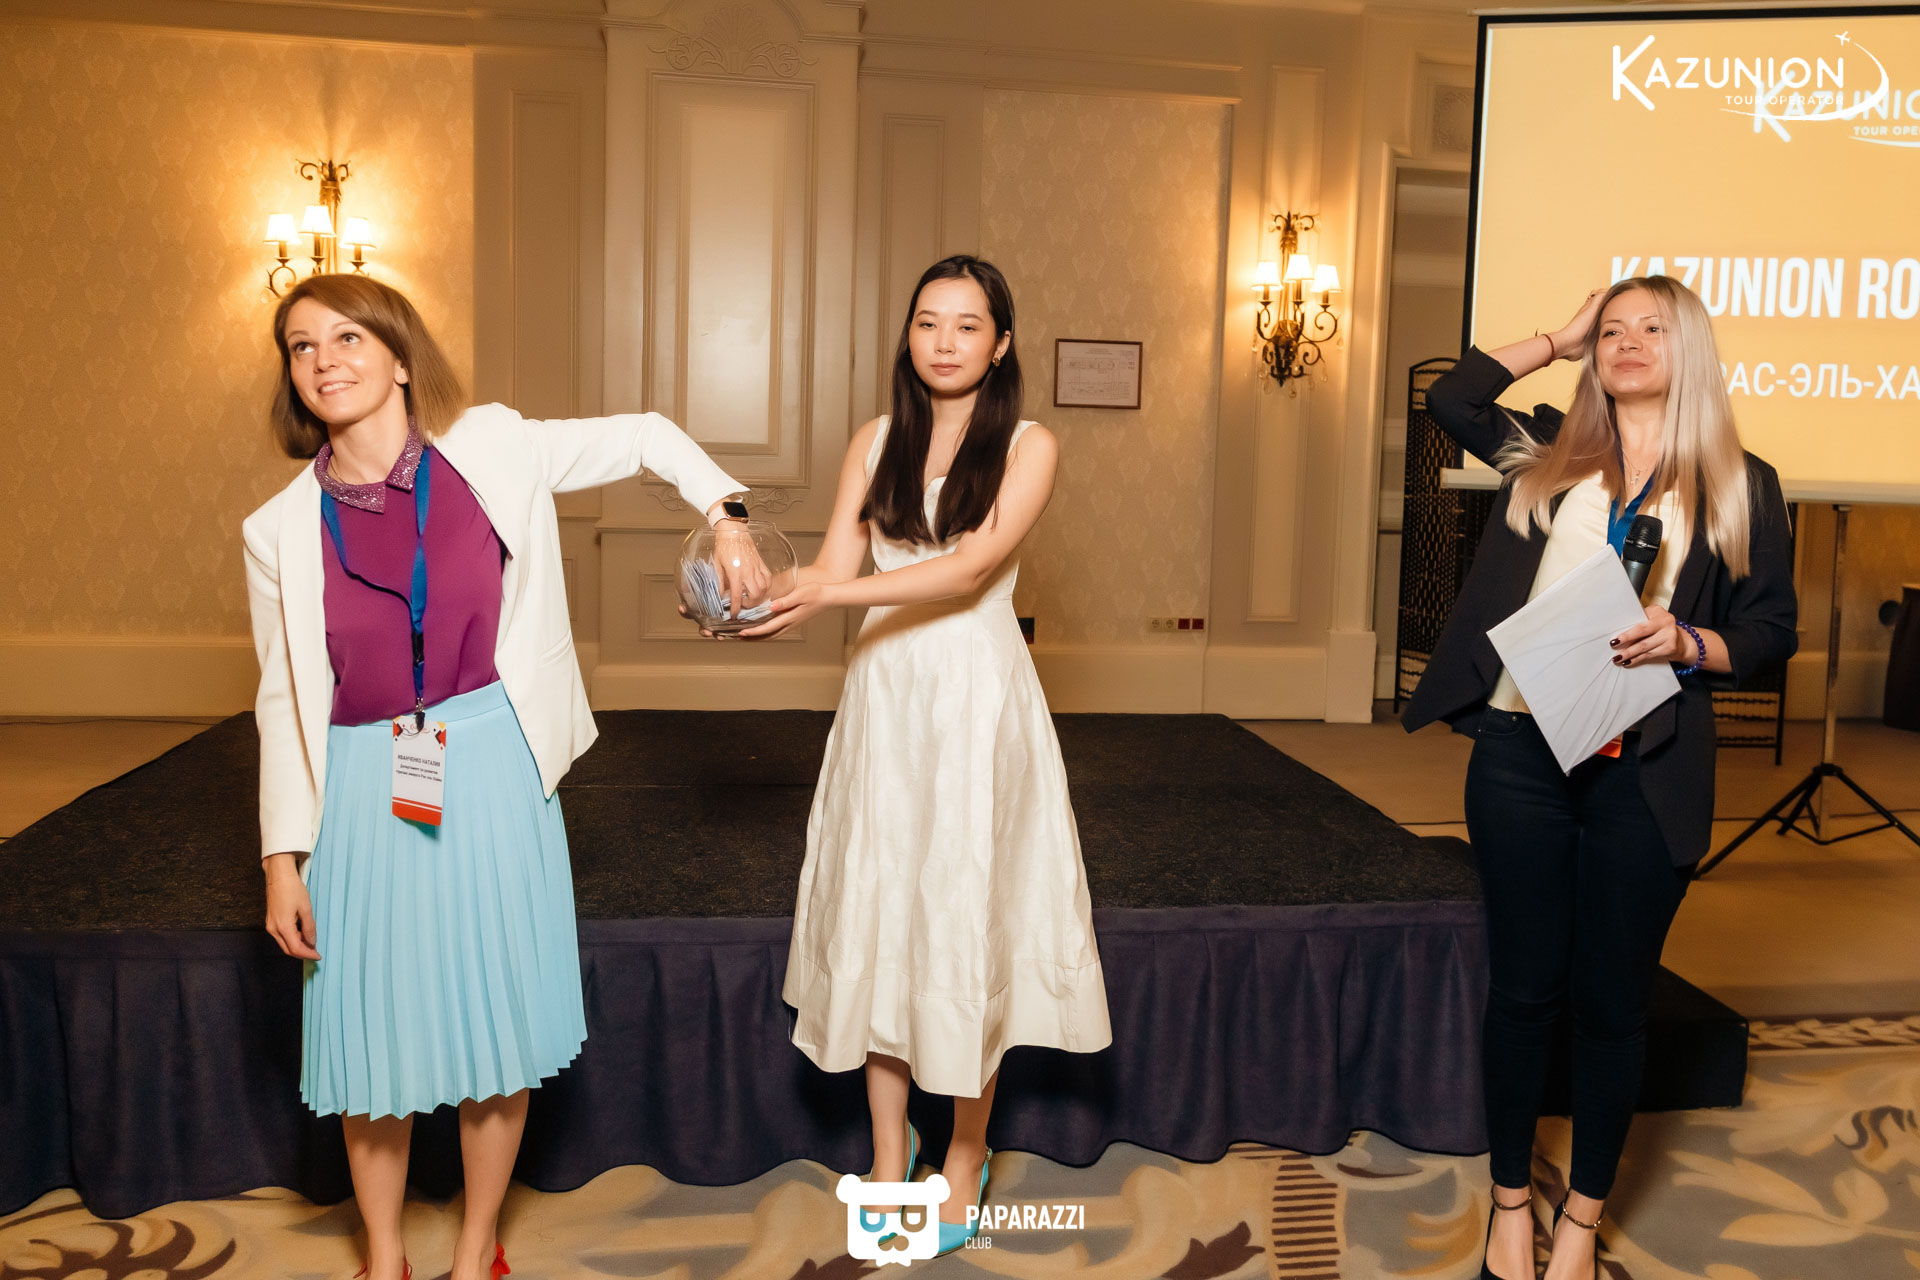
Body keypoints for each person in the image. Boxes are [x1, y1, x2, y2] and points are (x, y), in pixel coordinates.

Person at [245, 273, 758, 1280]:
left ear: (400, 357)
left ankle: (478, 1247)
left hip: (492, 764)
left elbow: (645, 435)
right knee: (371, 1035)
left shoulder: (490, 446)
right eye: (302, 346)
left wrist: (727, 511)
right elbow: (279, 699)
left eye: (348, 338)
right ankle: (383, 1256)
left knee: (494, 1023)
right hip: (362, 782)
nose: (324, 360)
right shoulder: (279, 529)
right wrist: (280, 856)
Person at [1403, 276, 1797, 1280]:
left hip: (1646, 769)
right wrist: (1559, 336)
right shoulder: (1547, 453)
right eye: (1612, 329)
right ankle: (1509, 1205)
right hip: (1521, 758)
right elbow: (1451, 399)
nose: (1626, 341)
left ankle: (1580, 1219)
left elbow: (1770, 630)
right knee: (1522, 991)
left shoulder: (1743, 484)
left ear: (1688, 348)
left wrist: (1689, 640)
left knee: (1613, 1005)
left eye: (1651, 327)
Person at [747, 255, 1111, 1256]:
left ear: (1001, 343)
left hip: (974, 696)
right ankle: (886, 1151)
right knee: (882, 907)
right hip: (884, 695)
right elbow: (832, 565)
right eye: (927, 322)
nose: (944, 341)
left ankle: (965, 1151)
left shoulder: (1029, 444)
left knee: (962, 913)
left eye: (967, 324)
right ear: (907, 335)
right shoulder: (875, 439)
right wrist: (755, 602)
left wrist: (829, 594)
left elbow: (967, 569)